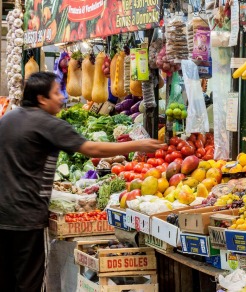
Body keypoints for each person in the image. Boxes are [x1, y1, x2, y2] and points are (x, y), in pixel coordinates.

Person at [0, 72, 165, 291]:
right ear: (42, 99)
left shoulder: (9, 118)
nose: (62, 97)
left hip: (3, 215)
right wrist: (136, 145)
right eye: (56, 92)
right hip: (26, 217)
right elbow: (91, 149)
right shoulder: (48, 123)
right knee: (28, 282)